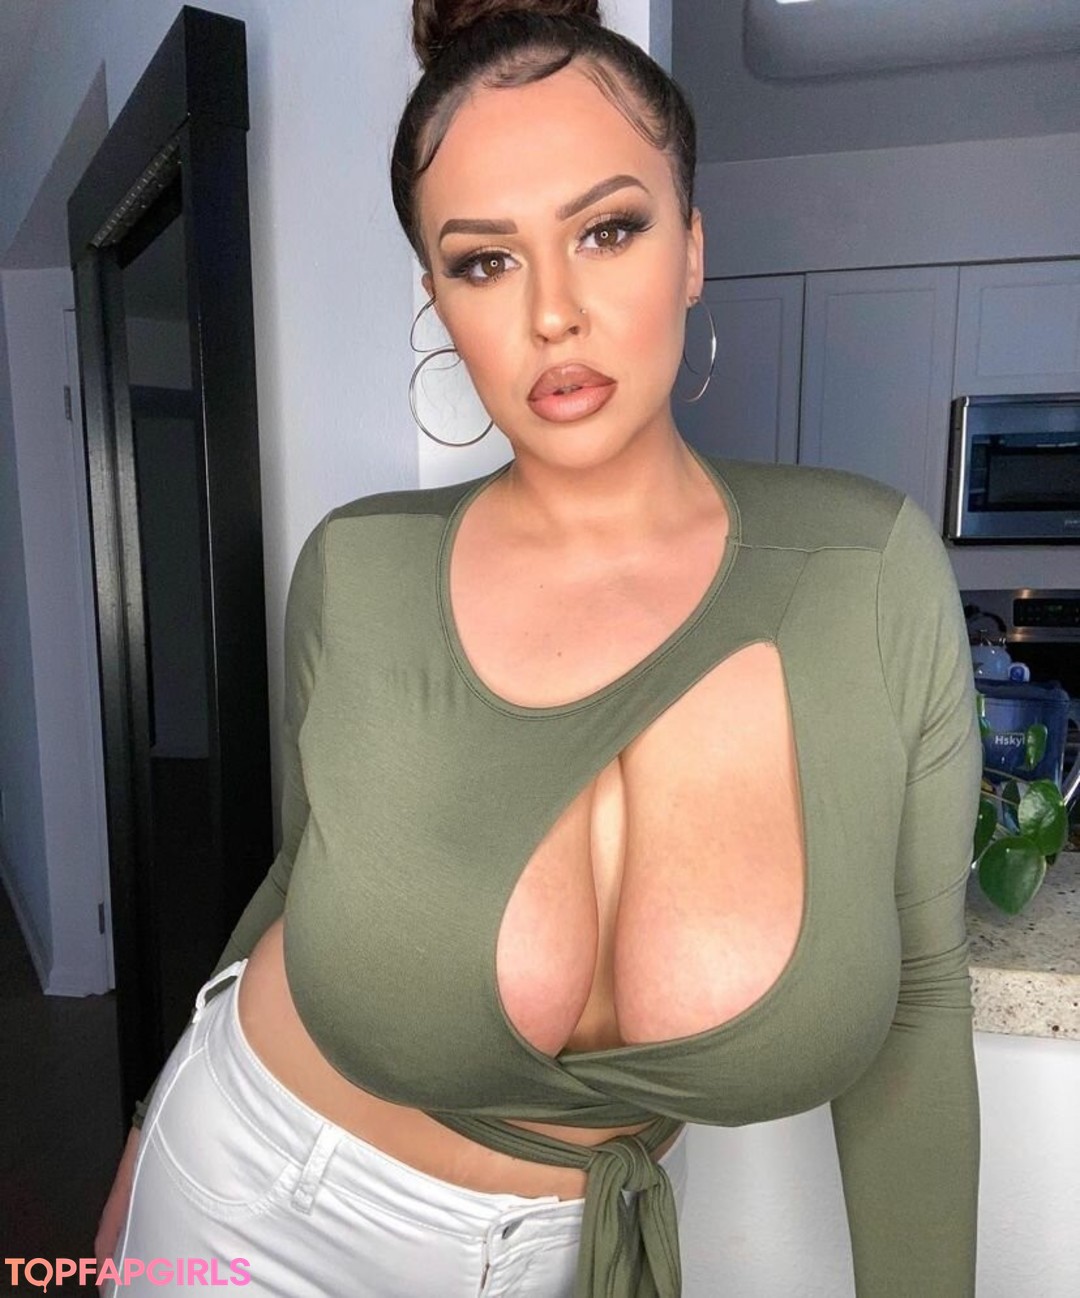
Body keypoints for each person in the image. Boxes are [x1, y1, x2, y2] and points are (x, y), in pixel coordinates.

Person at [94, 2, 983, 1295]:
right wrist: (144, 1133)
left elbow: (919, 998)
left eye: (607, 230)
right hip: (251, 1191)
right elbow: (303, 871)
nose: (553, 313)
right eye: (484, 260)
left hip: (565, 1258)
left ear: (692, 247)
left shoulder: (870, 572)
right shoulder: (359, 569)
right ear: (437, 299)